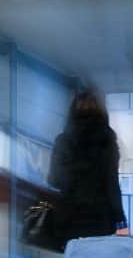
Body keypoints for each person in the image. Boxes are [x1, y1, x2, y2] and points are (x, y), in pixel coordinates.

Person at [48, 89, 128, 245]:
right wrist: (121, 222)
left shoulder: (63, 141)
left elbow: (54, 179)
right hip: (100, 217)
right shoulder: (107, 143)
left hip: (70, 216)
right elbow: (112, 184)